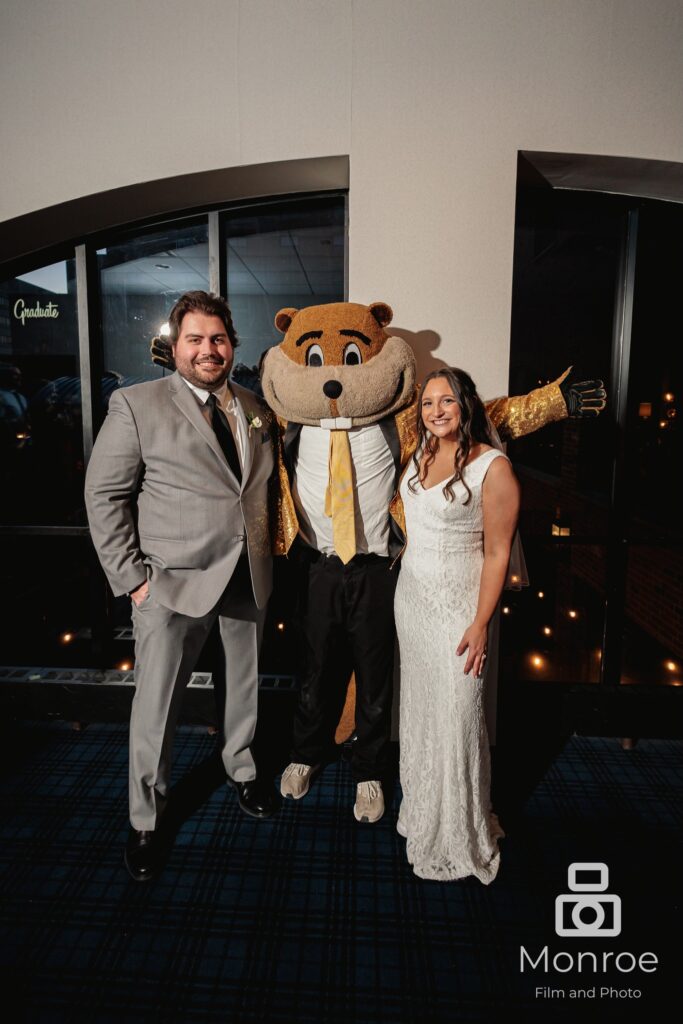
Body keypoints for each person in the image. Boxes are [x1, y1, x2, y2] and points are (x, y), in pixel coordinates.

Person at [85, 290, 277, 882]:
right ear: (174, 345)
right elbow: (104, 495)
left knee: (243, 686)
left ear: (231, 344)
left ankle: (241, 770)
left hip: (246, 574)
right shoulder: (136, 404)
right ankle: (146, 816)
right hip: (169, 584)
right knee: (157, 705)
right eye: (194, 339)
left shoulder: (254, 406)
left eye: (217, 339)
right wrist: (134, 581)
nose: (207, 350)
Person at [393, 367, 520, 883]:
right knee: (422, 708)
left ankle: (462, 829)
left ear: (467, 404)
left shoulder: (494, 467)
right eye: (427, 403)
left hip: (459, 608)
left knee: (459, 713)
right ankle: (422, 809)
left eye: (447, 401)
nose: (436, 411)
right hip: (413, 601)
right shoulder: (419, 453)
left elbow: (497, 553)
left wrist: (481, 622)